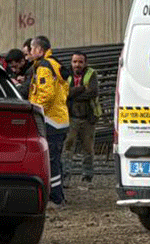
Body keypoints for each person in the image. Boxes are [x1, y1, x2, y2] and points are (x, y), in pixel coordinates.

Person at [27, 36, 69, 204]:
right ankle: (58, 196)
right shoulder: (55, 64)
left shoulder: (44, 67)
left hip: (50, 120)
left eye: (32, 48)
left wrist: (33, 108)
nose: (30, 52)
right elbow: (64, 89)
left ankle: (56, 198)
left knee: (51, 161)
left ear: (39, 50)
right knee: (55, 160)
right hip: (60, 118)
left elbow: (46, 95)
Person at [63, 51, 100, 184]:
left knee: (88, 149)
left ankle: (87, 177)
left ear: (85, 63)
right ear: (71, 62)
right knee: (67, 148)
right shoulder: (66, 75)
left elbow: (93, 92)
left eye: (80, 62)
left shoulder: (91, 74)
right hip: (71, 117)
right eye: (74, 62)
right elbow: (64, 94)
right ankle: (65, 177)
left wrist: (73, 94)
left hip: (88, 117)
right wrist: (82, 89)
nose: (77, 64)